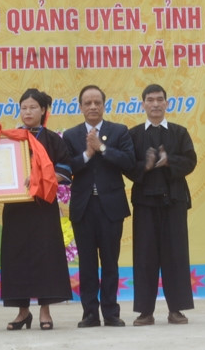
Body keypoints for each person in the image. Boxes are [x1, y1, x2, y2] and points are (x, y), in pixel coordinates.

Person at [62, 85, 134, 328]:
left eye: (97, 102)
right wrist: (87, 154)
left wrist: (102, 148)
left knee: (110, 261)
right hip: (83, 207)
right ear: (80, 107)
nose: (93, 107)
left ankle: (111, 312)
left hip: (111, 207)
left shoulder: (119, 131)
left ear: (104, 105)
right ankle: (90, 313)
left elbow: (128, 162)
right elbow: (66, 167)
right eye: (88, 103)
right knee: (87, 263)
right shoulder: (71, 135)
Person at [0, 89, 73, 331]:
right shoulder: (10, 139)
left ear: (43, 110)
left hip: (43, 207)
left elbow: (65, 171)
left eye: (32, 107)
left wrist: (38, 179)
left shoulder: (52, 139)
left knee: (46, 257)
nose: (28, 112)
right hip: (16, 208)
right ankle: (22, 312)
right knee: (16, 257)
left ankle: (45, 311)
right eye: (24, 108)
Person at [126, 84, 197, 326]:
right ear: (143, 104)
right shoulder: (134, 135)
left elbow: (190, 161)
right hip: (144, 203)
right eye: (150, 100)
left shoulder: (179, 132)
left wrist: (169, 161)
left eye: (159, 99)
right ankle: (145, 312)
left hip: (174, 201)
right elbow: (127, 166)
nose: (155, 104)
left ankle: (176, 309)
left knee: (175, 255)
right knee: (144, 257)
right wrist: (144, 166)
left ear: (167, 103)